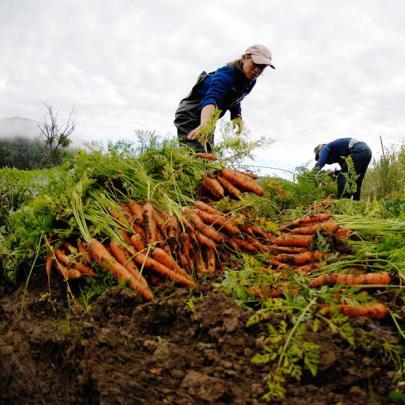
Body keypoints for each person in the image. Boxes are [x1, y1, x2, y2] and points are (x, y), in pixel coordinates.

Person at [174, 44, 275, 152]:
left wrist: (236, 115)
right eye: (255, 64)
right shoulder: (226, 74)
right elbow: (213, 97)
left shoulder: (250, 81)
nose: (257, 70)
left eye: (262, 67)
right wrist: (205, 123)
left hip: (209, 119)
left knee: (210, 156)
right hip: (191, 113)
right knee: (195, 156)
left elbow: (236, 98)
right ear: (244, 58)